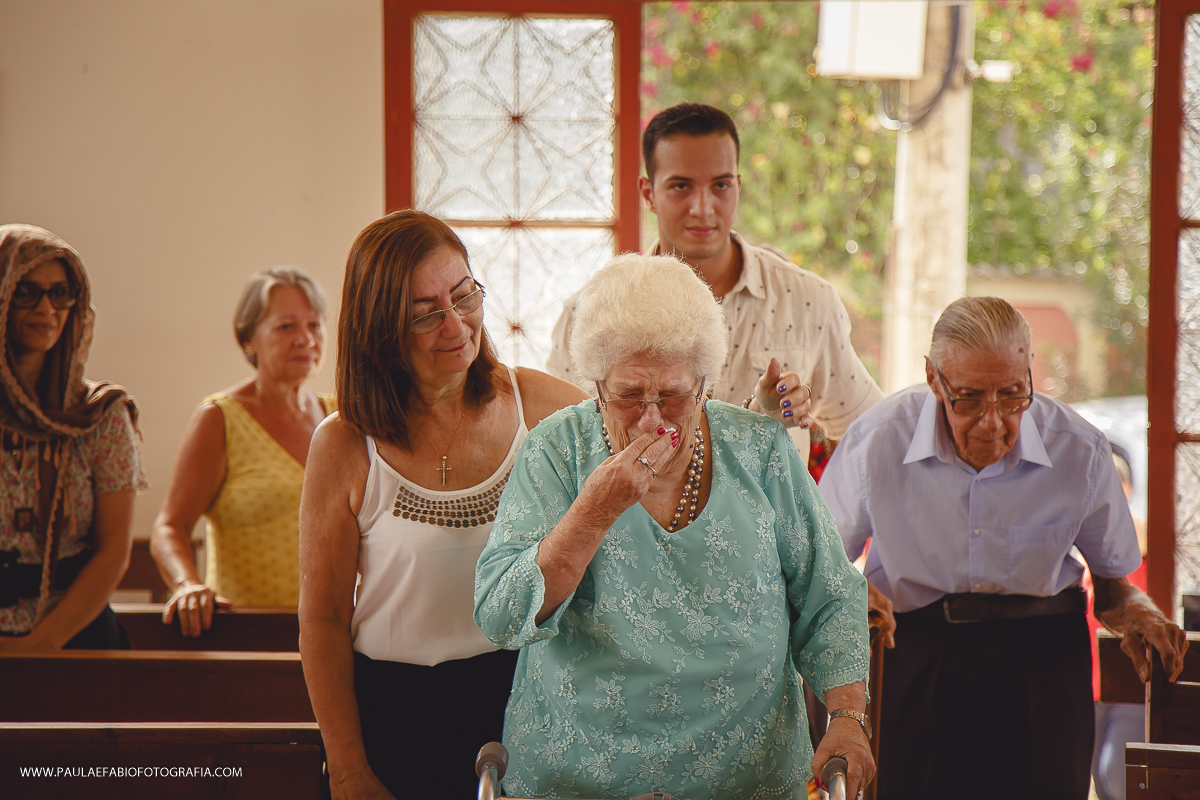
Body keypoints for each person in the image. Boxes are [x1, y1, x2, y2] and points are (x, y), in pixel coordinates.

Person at [476, 253, 874, 799]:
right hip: (582, 780)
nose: (651, 419)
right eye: (629, 396)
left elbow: (830, 593)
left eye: (672, 395)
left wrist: (848, 716)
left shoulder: (759, 449)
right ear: (595, 385)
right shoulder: (556, 450)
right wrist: (592, 512)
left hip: (745, 778)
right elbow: (500, 613)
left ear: (705, 383)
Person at [818, 296, 1189, 799]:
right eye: (968, 399)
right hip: (915, 656)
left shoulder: (1077, 448)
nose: (993, 422)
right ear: (933, 379)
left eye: (1013, 395)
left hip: (1041, 663)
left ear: (1029, 373)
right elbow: (817, 566)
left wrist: (1141, 615)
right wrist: (850, 594)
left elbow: (1114, 589)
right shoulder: (878, 441)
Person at [298, 210, 584, 800]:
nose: (455, 325)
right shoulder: (346, 442)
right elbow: (322, 620)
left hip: (523, 700)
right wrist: (348, 768)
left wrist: (765, 420)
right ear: (380, 329)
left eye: (464, 296)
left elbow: (650, 442)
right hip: (395, 713)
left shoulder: (535, 403)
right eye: (425, 313)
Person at [548, 102, 882, 454]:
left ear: (738, 186)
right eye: (681, 187)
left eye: (720, 185)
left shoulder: (807, 300)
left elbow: (870, 431)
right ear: (649, 193)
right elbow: (563, 448)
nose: (703, 208)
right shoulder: (588, 316)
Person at [150, 267, 333, 636]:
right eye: (286, 326)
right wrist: (187, 585)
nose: (305, 339)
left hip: (331, 634)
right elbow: (170, 526)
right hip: (243, 633)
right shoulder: (221, 417)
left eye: (314, 325)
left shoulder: (337, 418)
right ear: (249, 339)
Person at [0, 224, 148, 650]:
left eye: (61, 293)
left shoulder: (101, 415)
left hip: (73, 639)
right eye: (27, 291)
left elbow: (113, 550)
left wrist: (40, 644)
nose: (47, 307)